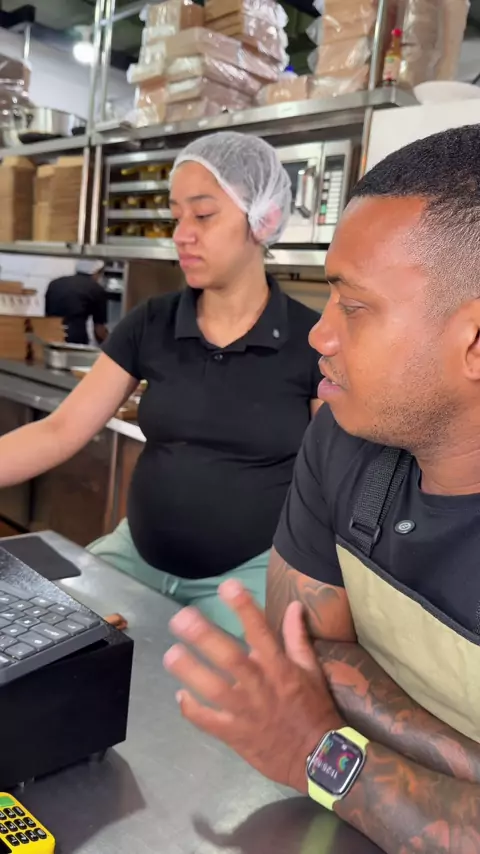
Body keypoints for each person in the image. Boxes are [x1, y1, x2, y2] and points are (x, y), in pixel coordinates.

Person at [164, 124, 480, 852]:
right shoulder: (344, 437)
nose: (320, 336)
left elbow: (306, 717)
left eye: (354, 306)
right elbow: (303, 662)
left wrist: (320, 750)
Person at [0, 132, 320, 637]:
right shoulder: (152, 321)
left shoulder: (312, 340)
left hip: (246, 579)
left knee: (208, 682)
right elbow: (60, 430)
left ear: (265, 219)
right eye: (176, 217)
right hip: (137, 556)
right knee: (60, 644)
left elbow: (330, 482)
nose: (182, 234)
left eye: (204, 215)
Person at [45, 259, 108, 345]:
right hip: (76, 341)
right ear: (96, 272)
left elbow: (47, 316)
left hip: (50, 338)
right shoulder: (96, 289)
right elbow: (99, 330)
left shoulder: (54, 284)